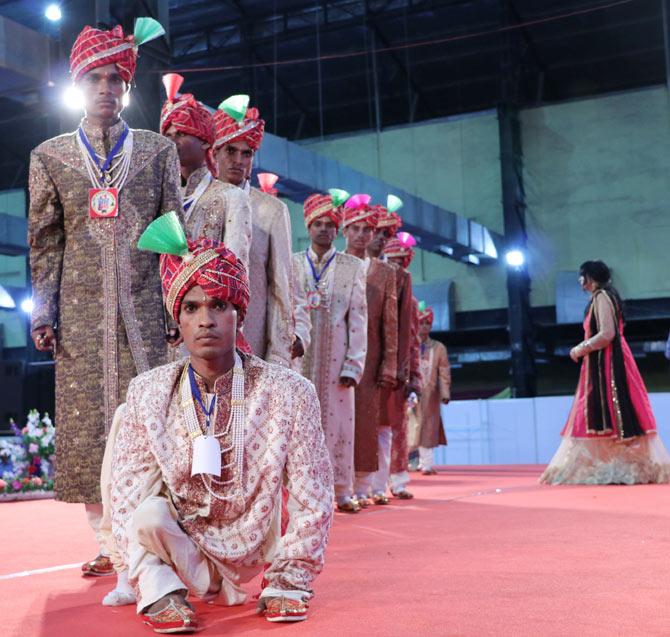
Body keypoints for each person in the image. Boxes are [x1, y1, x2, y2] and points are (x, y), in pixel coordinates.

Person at [109, 216, 334, 632]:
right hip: (178, 543)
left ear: (239, 313)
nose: (205, 320)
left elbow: (312, 495)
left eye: (219, 305)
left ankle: (281, 584)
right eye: (191, 308)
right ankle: (160, 592)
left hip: (253, 548)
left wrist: (290, 577)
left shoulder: (288, 391)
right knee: (146, 514)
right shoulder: (149, 392)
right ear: (178, 319)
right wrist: (142, 572)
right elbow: (125, 495)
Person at [28, 18, 181, 577]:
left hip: (143, 311)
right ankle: (106, 541)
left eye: (115, 79)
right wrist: (44, 310)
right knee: (90, 423)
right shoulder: (51, 157)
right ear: (77, 84)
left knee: (145, 420)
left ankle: (145, 533)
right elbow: (45, 241)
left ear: (128, 86)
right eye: (94, 78)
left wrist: (173, 305)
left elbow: (174, 236)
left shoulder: (157, 152)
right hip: (81, 314)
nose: (105, 90)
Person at [540, 260, 670, 484]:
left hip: (609, 362)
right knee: (613, 411)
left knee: (605, 408)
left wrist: (580, 348)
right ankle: (616, 466)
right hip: (608, 359)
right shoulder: (607, 296)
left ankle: (611, 467)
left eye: (583, 280)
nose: (582, 286)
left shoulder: (601, 297)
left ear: (590, 278)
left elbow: (607, 334)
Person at [292, 192, 368, 513]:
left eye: (329, 225)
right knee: (301, 425)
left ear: (337, 230)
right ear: (308, 227)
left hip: (338, 365)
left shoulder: (352, 267)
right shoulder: (293, 263)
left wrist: (354, 365)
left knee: (339, 425)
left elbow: (359, 318)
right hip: (300, 361)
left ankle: (342, 490)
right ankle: (302, 490)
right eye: (317, 224)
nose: (324, 229)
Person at [213, 96, 294, 366]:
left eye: (246, 153)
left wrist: (279, 357)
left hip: (253, 342)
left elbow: (281, 287)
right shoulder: (199, 203)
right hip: (202, 340)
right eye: (230, 151)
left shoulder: (271, 210)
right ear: (215, 153)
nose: (238, 160)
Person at [341, 196, 398, 506]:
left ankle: (362, 486)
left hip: (371, 357)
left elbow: (390, 323)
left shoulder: (383, 273)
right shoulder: (334, 265)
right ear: (344, 231)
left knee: (366, 423)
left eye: (367, 230)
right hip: (336, 352)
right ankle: (336, 484)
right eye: (355, 229)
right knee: (334, 422)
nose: (362, 235)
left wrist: (390, 364)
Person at [160, 74, 251, 268]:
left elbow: (237, 272)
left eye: (181, 134)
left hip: (211, 297)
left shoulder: (232, 197)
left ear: (205, 141)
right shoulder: (160, 198)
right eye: (168, 135)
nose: (172, 142)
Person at [383, 233, 423, 499]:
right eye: (391, 261)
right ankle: (371, 482)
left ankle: (397, 480)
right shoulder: (372, 287)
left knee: (396, 426)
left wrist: (414, 377)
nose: (396, 268)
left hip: (400, 370)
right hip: (371, 366)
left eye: (401, 262)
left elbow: (414, 342)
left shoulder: (412, 302)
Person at [413, 303, 451, 475]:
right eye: (421, 323)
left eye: (427, 323)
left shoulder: (439, 347)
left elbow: (444, 372)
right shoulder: (409, 346)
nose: (424, 326)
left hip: (430, 394)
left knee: (428, 426)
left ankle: (426, 463)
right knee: (410, 427)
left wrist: (445, 393)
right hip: (410, 393)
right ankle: (407, 463)